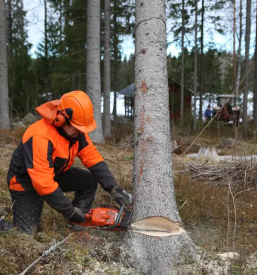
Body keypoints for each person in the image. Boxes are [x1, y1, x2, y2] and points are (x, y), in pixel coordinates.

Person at [5, 91, 132, 235]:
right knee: (26, 234)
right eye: (77, 128)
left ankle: (76, 227)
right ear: (61, 119)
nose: (80, 132)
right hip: (25, 183)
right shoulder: (41, 136)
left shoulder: (77, 134)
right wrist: (70, 211)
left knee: (89, 180)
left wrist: (113, 187)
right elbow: (43, 183)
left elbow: (93, 158)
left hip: (52, 174)